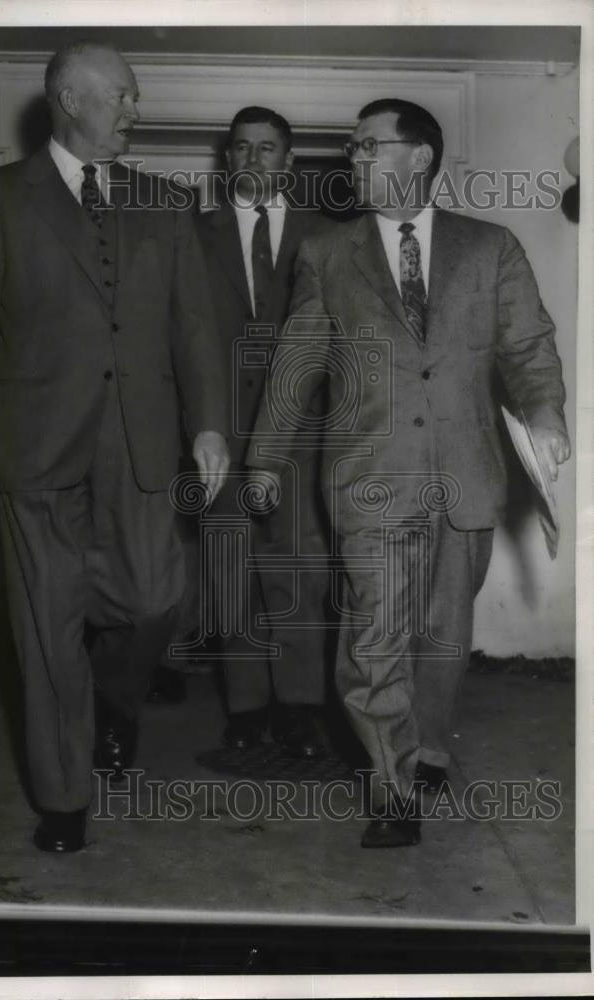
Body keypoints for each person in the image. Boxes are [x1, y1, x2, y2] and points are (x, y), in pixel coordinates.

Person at [247, 98, 569, 846]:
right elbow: (295, 366)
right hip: (369, 479)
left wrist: (545, 411)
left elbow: (527, 346)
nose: (352, 158)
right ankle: (390, 788)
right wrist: (262, 458)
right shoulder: (328, 253)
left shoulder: (490, 248)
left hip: (465, 477)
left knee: (440, 638)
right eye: (353, 148)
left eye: (367, 146)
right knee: (370, 645)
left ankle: (423, 745)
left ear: (418, 157)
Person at [0, 42, 229, 853]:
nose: (136, 111)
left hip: (140, 444)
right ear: (71, 98)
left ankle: (115, 698)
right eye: (124, 98)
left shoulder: (163, 203)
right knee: (45, 627)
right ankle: (64, 798)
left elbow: (195, 327)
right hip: (33, 448)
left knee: (153, 601)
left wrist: (208, 422)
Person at [195, 106, 334, 758]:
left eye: (267, 148)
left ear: (288, 161)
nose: (253, 160)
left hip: (302, 434)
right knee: (231, 570)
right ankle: (246, 709)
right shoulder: (191, 236)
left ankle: (299, 708)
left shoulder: (327, 237)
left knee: (296, 570)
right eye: (242, 149)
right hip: (217, 436)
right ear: (227, 161)